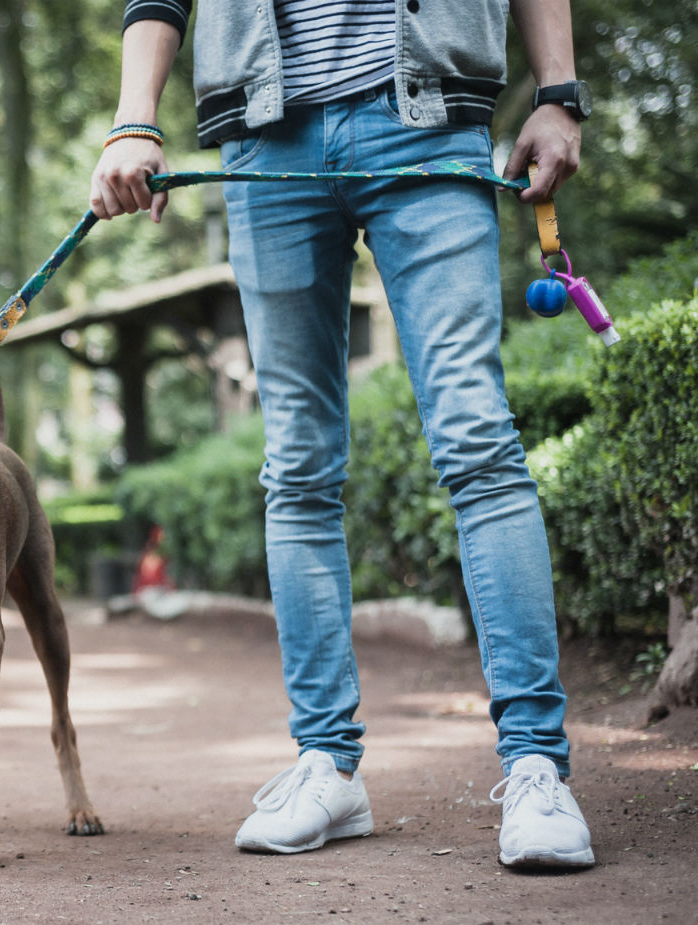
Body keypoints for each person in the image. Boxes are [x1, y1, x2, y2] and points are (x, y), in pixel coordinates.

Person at [90, 1, 593, 869]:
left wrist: (560, 94)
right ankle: (327, 763)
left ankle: (538, 767)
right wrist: (134, 119)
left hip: (430, 119)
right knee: (297, 466)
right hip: (262, 133)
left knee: (478, 440)